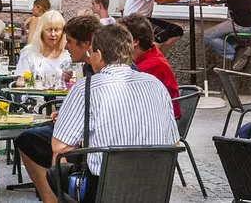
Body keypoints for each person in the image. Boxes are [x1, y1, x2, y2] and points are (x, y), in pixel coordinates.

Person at [40, 24, 180, 203]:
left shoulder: (87, 87)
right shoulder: (155, 84)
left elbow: (59, 147)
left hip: (105, 189)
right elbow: (174, 141)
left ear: (98, 55)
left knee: (56, 169)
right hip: (154, 187)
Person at [14, 14, 102, 201]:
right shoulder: (86, 67)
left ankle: (60, 190)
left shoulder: (99, 71)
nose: (66, 45)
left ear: (85, 45)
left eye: (68, 41)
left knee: (58, 147)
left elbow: (61, 144)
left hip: (93, 144)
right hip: (83, 132)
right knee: (27, 139)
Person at [121, 15, 180, 119]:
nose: (118, 41)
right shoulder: (151, 53)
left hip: (160, 120)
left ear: (135, 42)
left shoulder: (147, 68)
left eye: (121, 36)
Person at [17, 10, 71, 84]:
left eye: (57, 30)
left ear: (63, 32)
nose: (53, 34)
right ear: (41, 31)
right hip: (35, 94)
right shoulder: (29, 52)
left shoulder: (69, 53)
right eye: (49, 30)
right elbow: (20, 81)